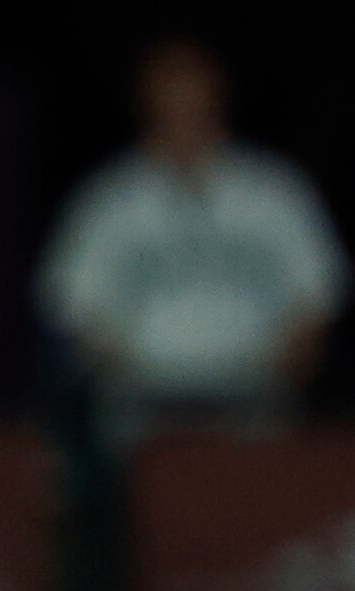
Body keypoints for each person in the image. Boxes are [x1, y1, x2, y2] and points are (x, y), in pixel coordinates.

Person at [42, 35, 340, 442]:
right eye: (170, 101)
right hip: (143, 411)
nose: (183, 113)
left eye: (194, 100)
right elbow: (74, 312)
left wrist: (277, 372)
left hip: (251, 408)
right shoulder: (106, 202)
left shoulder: (276, 192)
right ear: (145, 105)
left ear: (219, 100)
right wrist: (127, 374)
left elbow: (316, 301)